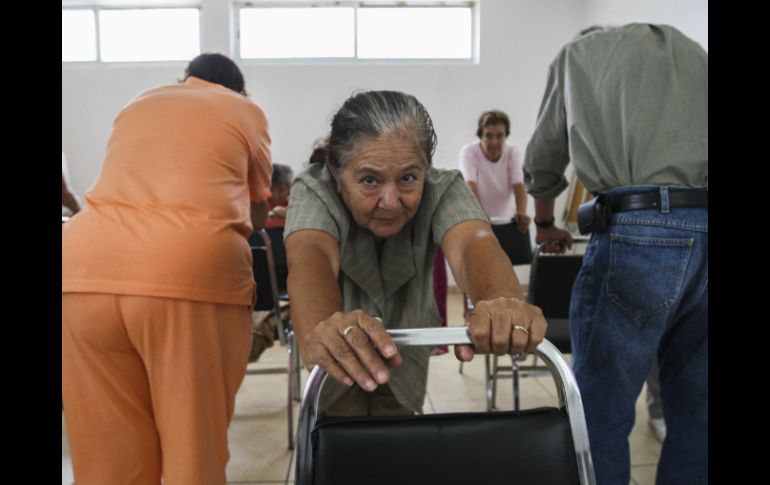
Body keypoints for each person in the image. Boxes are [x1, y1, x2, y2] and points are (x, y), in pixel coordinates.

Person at [62, 53, 273, 484]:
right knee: (191, 448)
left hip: (81, 270)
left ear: (185, 79)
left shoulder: (139, 102)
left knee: (107, 455)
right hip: (186, 274)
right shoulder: (244, 111)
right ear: (239, 90)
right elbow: (257, 212)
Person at [284, 90, 548, 416]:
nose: (391, 201)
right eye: (369, 180)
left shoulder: (443, 188)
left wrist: (501, 300)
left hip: (406, 361)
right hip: (336, 368)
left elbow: (473, 241)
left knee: (398, 433)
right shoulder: (314, 189)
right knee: (337, 433)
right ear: (337, 175)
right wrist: (322, 327)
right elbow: (310, 256)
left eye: (408, 178)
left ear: (426, 169)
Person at [523, 24, 707, 485]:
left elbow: (545, 156)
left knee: (600, 409)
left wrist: (544, 222)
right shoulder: (689, 50)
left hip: (640, 232)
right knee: (698, 411)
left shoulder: (577, 55)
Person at [459, 110, 530, 233]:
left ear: (506, 136)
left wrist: (521, 212)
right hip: (479, 220)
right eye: (489, 136)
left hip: (508, 222)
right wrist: (480, 217)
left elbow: (518, 185)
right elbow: (471, 186)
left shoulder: (513, 152)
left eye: (499, 136)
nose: (494, 142)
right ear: (480, 136)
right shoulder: (469, 152)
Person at [266, 163, 294, 228]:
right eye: (271, 190)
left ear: (290, 188)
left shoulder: (294, 205)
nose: (276, 195)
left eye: (281, 190)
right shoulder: (262, 202)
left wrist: (288, 214)